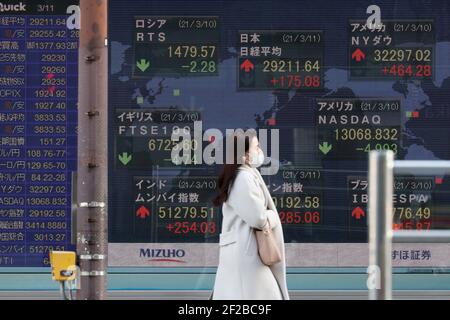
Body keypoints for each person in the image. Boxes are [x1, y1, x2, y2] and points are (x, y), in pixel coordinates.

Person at [210, 130, 289, 300]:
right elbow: (258, 219)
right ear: (245, 155)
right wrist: (273, 216)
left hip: (245, 251)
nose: (260, 151)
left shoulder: (244, 175)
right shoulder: (243, 178)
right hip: (248, 254)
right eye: (257, 147)